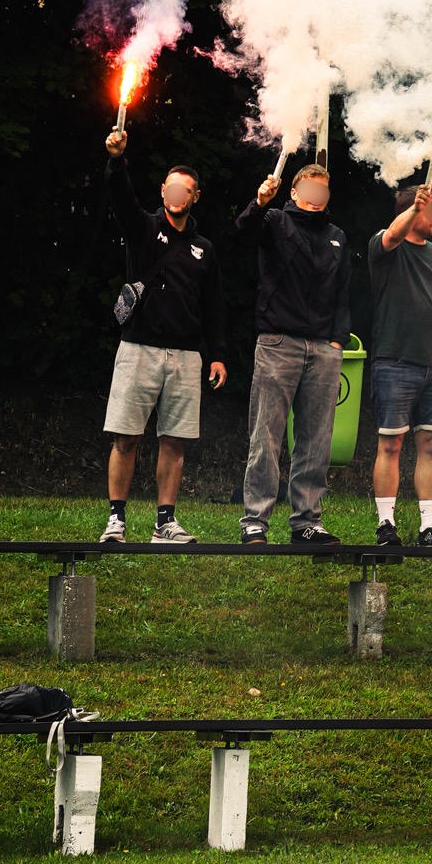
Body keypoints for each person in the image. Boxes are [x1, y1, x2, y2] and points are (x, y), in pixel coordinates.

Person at [100, 127, 227, 545]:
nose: (177, 194)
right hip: (139, 348)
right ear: (162, 191)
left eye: (185, 190)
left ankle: (165, 524)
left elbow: (214, 306)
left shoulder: (205, 249)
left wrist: (218, 354)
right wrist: (116, 161)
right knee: (126, 437)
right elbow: (121, 197)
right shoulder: (142, 228)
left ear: (195, 197)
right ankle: (116, 520)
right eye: (171, 187)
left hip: (186, 356)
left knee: (175, 441)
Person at [235, 163, 352, 548]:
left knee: (316, 440)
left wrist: (337, 341)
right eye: (311, 189)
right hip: (277, 343)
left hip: (323, 350)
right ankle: (255, 521)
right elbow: (243, 232)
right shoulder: (274, 222)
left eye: (324, 190)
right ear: (296, 192)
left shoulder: (337, 236)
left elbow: (343, 293)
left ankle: (306, 522)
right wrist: (258, 203)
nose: (318, 197)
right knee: (265, 436)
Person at [367, 181, 432, 550]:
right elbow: (392, 234)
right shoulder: (385, 245)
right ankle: (386, 525)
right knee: (391, 444)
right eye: (430, 210)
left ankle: (429, 527)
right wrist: (414, 207)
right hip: (395, 361)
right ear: (415, 211)